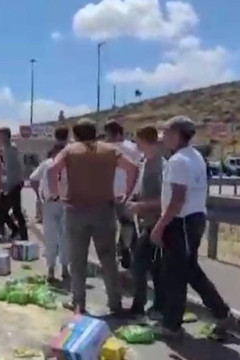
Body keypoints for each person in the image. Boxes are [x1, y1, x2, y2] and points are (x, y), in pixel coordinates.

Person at [47, 119, 138, 315]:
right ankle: (115, 303)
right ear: (95, 132)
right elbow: (133, 168)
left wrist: (56, 195)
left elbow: (51, 170)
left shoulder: (70, 151)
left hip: (76, 210)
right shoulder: (109, 150)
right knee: (108, 259)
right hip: (104, 210)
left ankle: (78, 303)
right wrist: (127, 194)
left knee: (78, 259)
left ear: (76, 134)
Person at [152, 116, 231, 337]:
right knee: (185, 271)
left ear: (177, 134)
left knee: (179, 274)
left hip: (182, 223)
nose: (163, 138)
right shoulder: (194, 156)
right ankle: (218, 313)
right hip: (191, 220)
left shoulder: (179, 161)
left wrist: (160, 226)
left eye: (166, 133)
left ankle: (174, 324)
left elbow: (177, 199)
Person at [125, 126, 166, 321]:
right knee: (152, 268)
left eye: (137, 140)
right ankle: (153, 306)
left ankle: (141, 306)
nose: (135, 144)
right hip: (145, 222)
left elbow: (164, 199)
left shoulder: (160, 167)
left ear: (144, 141)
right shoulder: (145, 163)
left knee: (141, 266)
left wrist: (139, 206)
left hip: (156, 224)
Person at [104, 120, 142, 269]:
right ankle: (127, 252)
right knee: (127, 225)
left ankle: (123, 252)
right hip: (128, 192)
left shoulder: (109, 148)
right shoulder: (134, 148)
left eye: (109, 135)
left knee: (119, 225)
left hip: (115, 193)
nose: (108, 138)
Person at [31, 143, 69, 283]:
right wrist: (40, 197)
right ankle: (51, 269)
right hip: (50, 203)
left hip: (66, 204)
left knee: (66, 238)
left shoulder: (70, 165)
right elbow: (33, 179)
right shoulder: (46, 164)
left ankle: (65, 268)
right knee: (51, 237)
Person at [0, 127, 27, 240]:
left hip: (14, 184)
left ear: (5, 136)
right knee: (5, 210)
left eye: (0, 135)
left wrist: (9, 186)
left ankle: (20, 234)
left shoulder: (11, 149)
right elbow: (7, 169)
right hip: (11, 184)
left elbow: (16, 168)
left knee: (7, 211)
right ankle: (17, 232)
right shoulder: (5, 149)